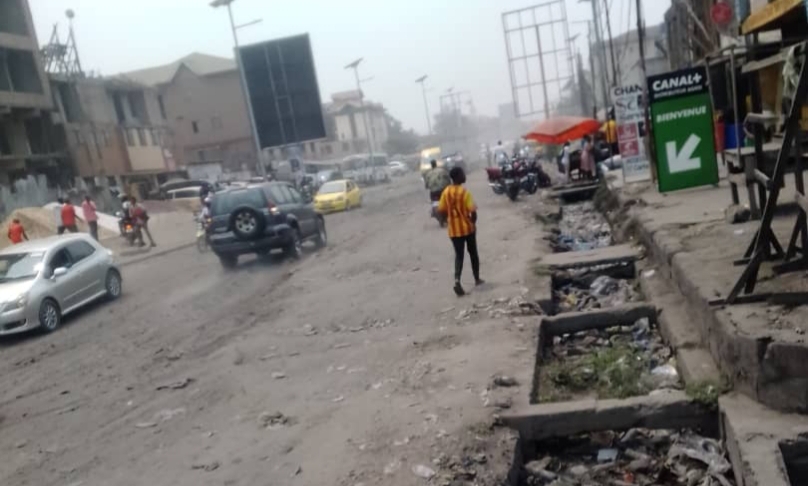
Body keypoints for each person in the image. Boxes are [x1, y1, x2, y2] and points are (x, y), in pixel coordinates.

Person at [438, 167, 483, 296]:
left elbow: (441, 210)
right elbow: (473, 212)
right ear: (457, 176)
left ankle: (457, 280)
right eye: (462, 173)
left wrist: (448, 220)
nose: (464, 175)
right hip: (467, 228)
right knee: (473, 253)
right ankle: (477, 279)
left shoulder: (446, 192)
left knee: (459, 256)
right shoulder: (464, 192)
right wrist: (473, 223)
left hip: (454, 230)